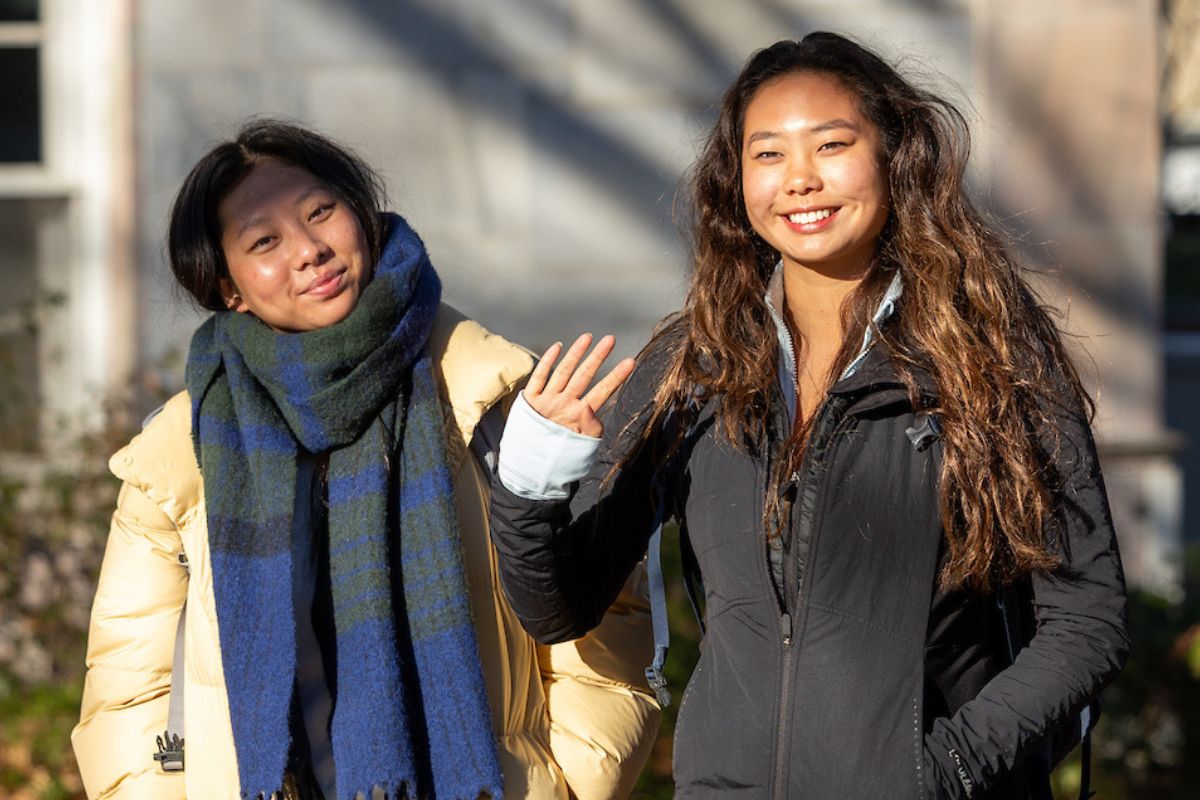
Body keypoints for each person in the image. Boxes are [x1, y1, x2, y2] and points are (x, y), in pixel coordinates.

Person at [488, 32, 1129, 799]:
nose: (799, 180)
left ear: (894, 156)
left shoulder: (991, 354)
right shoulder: (697, 362)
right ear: (736, 180)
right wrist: (533, 481)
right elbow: (559, 607)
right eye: (768, 155)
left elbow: (1085, 621)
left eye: (831, 145)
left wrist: (946, 769)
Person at [71, 119, 659, 800]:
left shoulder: (492, 399)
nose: (311, 250)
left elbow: (603, 630)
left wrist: (567, 788)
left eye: (322, 212)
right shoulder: (180, 449)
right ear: (227, 286)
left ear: (363, 215)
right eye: (265, 241)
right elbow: (127, 687)